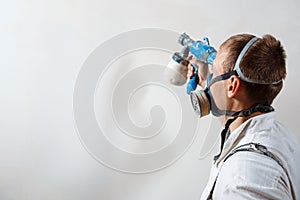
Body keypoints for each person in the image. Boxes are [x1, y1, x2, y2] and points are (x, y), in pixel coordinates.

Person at [187, 33, 300, 199]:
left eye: (215, 72)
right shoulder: (279, 135)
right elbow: (234, 111)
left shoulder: (242, 181)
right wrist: (206, 81)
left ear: (232, 85)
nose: (211, 80)